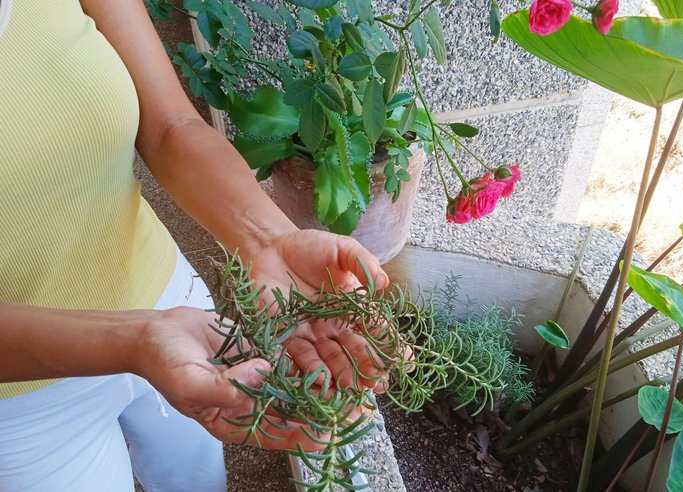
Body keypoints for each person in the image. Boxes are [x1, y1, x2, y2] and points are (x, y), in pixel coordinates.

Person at [0, 0, 390, 490]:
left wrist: (269, 240)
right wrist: (132, 341)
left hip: (170, 302)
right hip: (21, 400)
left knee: (197, 479)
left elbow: (169, 126)